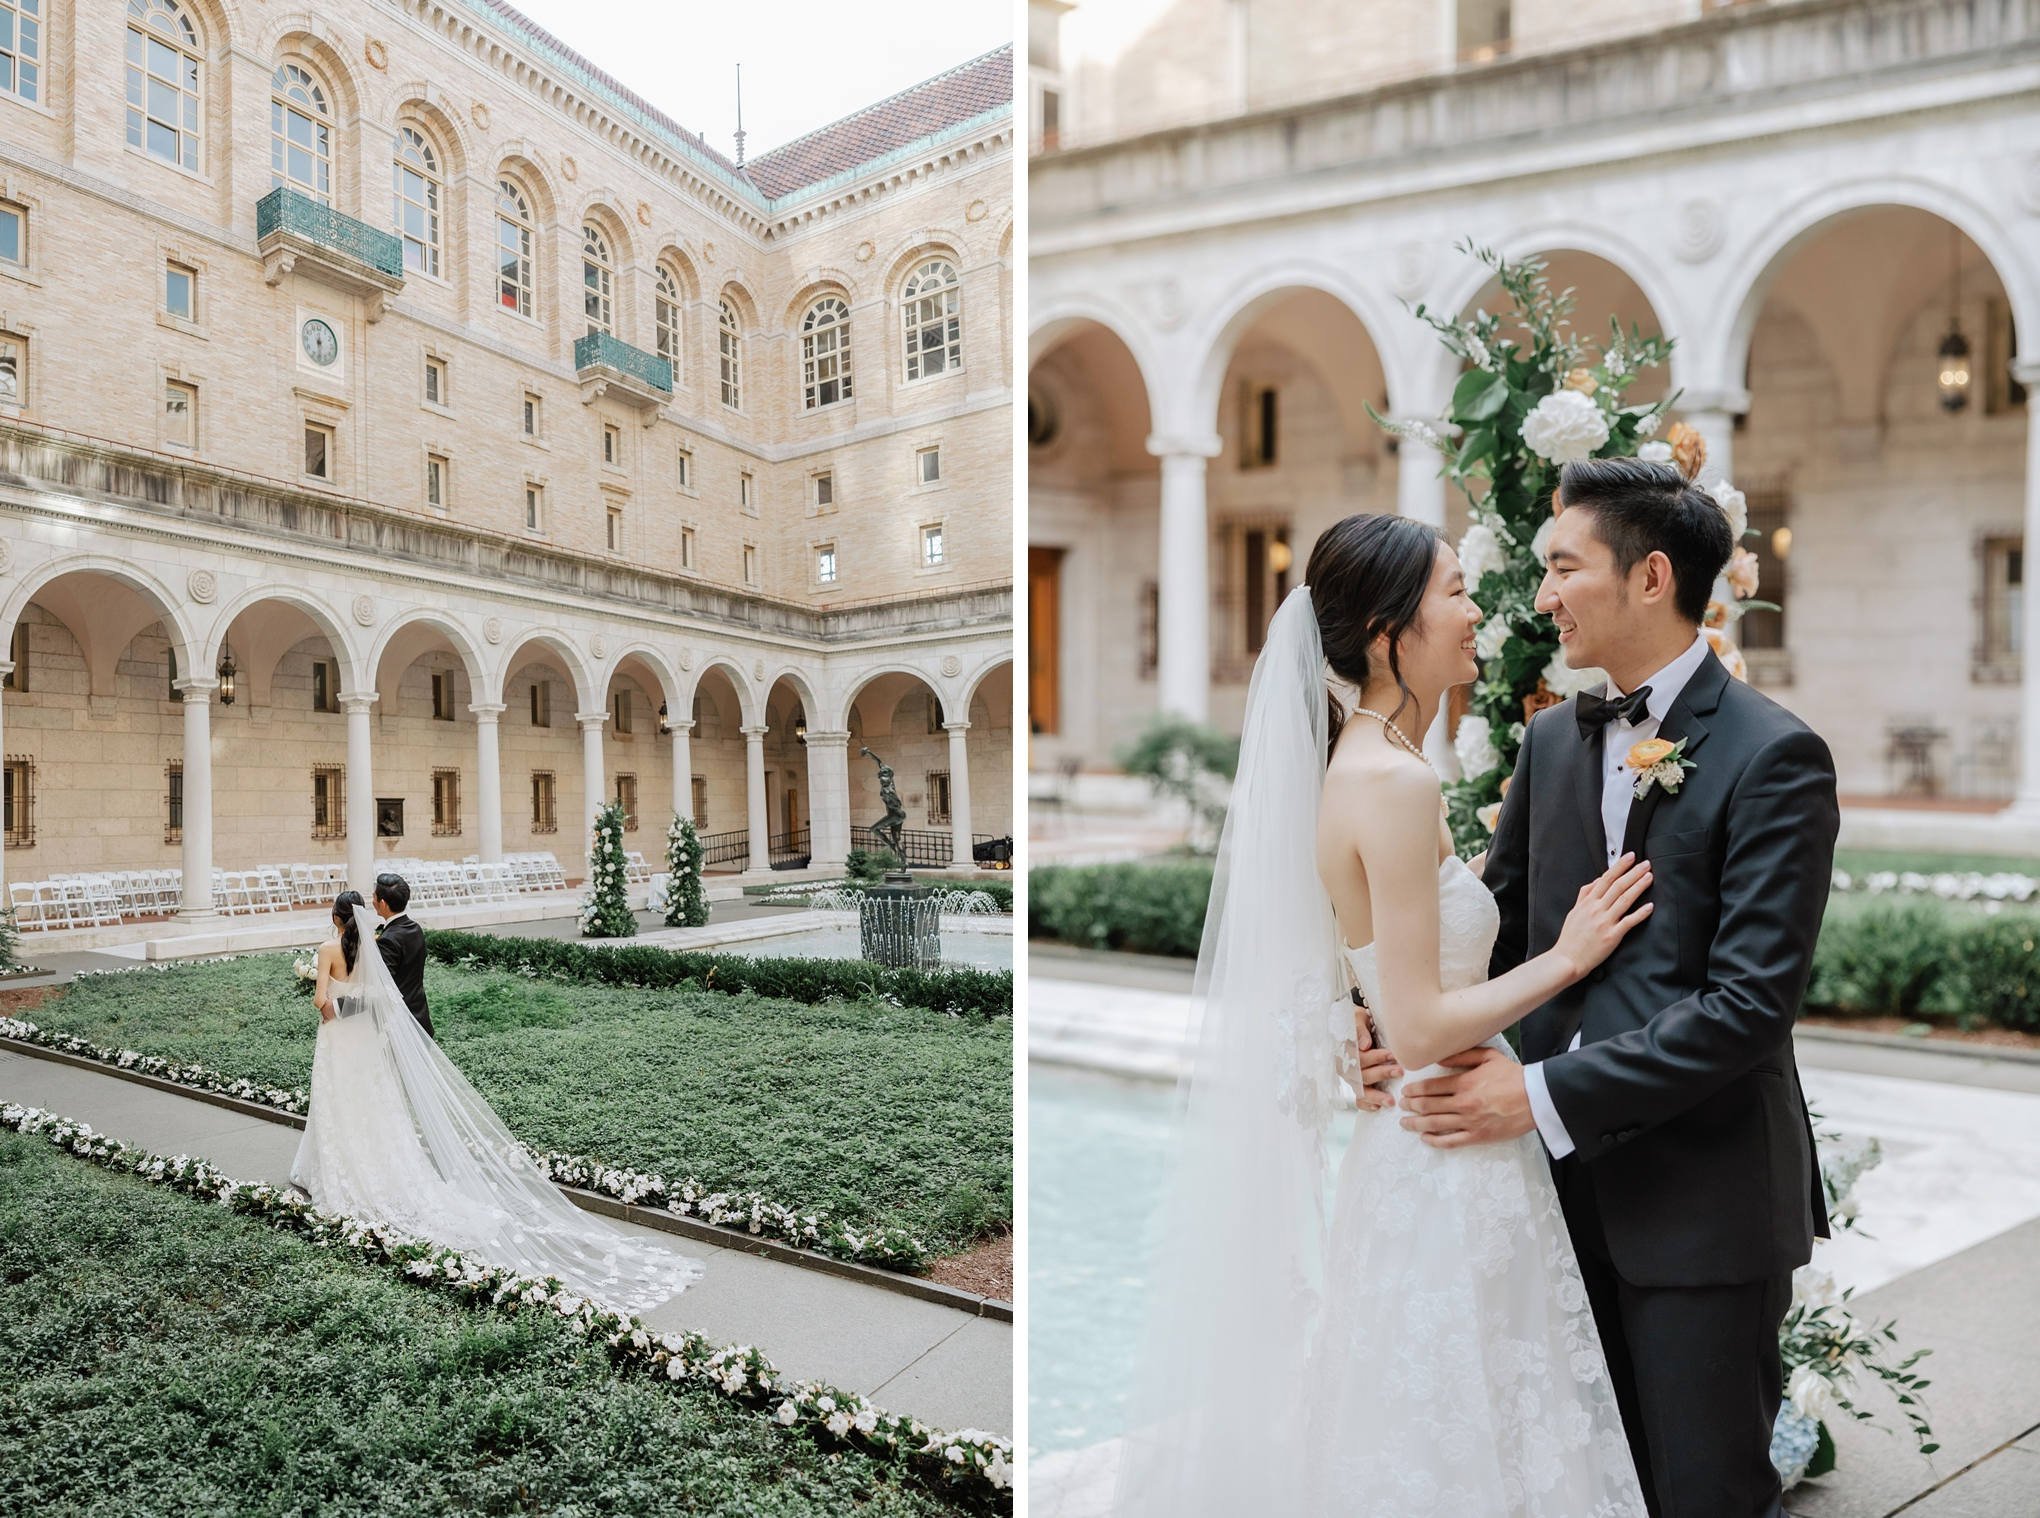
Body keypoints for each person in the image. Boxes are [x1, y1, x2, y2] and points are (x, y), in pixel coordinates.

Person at [1113, 513, 1652, 1518]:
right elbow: (1418, 1027)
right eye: (1455, 590)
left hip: (1424, 1145)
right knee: (1462, 1433)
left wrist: (1345, 1028)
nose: (1476, 611)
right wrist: (1567, 957)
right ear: (1386, 631)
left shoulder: (1370, 765)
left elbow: (1368, 971)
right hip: (1446, 1149)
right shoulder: (1392, 781)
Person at [1391, 458, 1838, 1518]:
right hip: (1543, 1203)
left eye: (1563, 567)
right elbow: (1496, 941)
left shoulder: (1778, 756)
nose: (1542, 594)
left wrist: (1536, 1095)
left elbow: (1748, 1008)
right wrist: (1391, 1029)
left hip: (1701, 1207)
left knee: (1702, 1494)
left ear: (1649, 577)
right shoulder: (1554, 739)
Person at [289, 891, 702, 1316]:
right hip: (365, 1039)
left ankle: (341, 1166)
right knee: (373, 1105)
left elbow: (322, 1002)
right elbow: (381, 996)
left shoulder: (328, 948)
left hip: (340, 1037)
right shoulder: (372, 949)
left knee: (340, 1102)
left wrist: (327, 1005)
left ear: (336, 918)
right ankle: (375, 1165)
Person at [372, 873, 432, 1038]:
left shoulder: (388, 940)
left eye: (374, 896)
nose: (372, 900)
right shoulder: (415, 928)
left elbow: (382, 986)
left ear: (383, 904)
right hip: (419, 1015)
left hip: (399, 1025)